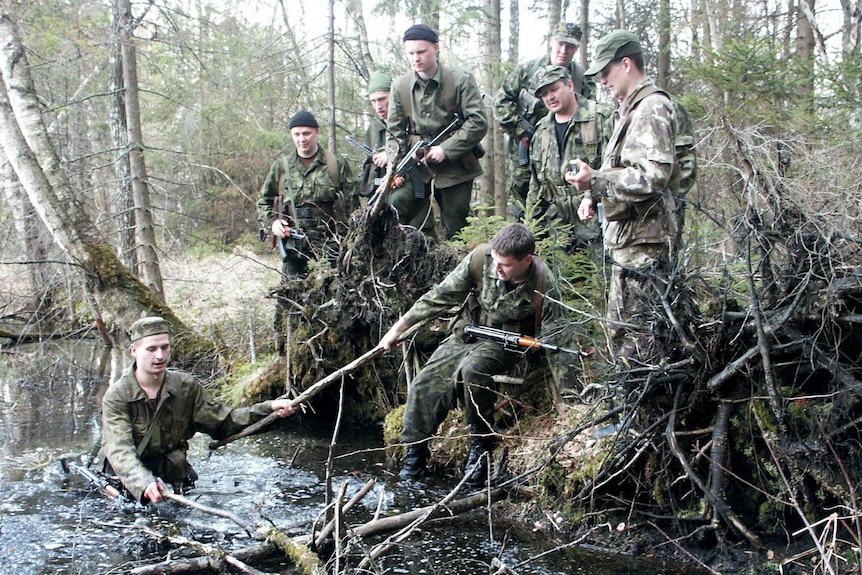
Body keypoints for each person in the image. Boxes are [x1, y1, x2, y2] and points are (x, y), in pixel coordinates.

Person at [379, 223, 558, 485]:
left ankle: (481, 442)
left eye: (505, 265)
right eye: (495, 261)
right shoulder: (479, 260)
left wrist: (568, 397)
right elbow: (441, 295)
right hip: (467, 334)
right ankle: (414, 455)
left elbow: (560, 334)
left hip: (506, 345)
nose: (497, 270)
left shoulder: (542, 281)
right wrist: (397, 329)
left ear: (526, 260)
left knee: (472, 369)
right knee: (426, 381)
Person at [569, 30, 682, 362]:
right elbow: (623, 169)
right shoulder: (629, 109)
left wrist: (600, 180)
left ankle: (645, 411)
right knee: (622, 333)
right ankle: (631, 406)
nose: (603, 80)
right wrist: (593, 192)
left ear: (627, 64)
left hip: (645, 244)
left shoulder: (651, 107)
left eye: (606, 71)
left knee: (642, 341)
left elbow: (654, 177)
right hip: (629, 241)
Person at [98, 316, 297, 504]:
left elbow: (224, 422)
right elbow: (119, 449)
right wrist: (144, 483)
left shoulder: (186, 387)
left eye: (164, 347)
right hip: (129, 486)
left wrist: (269, 409)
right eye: (151, 349)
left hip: (174, 481)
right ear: (134, 350)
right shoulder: (117, 396)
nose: (160, 355)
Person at [257, 110, 358, 352]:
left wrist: (353, 240)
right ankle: (286, 349)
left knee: (335, 295)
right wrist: (272, 223)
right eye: (297, 134)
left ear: (316, 133)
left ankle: (337, 346)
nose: (302, 139)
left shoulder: (335, 164)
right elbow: (264, 201)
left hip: (330, 242)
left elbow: (355, 207)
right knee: (289, 299)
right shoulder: (282, 167)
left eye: (306, 133)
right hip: (295, 244)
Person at [387, 23, 488, 240]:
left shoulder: (459, 80)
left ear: (436, 47)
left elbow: (478, 122)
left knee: (457, 229)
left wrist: (446, 149)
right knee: (397, 208)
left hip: (455, 165)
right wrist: (394, 168)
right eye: (411, 53)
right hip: (415, 164)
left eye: (421, 52)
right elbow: (394, 134)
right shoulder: (400, 86)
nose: (416, 58)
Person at [493, 22, 593, 220]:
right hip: (526, 148)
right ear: (551, 42)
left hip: (566, 152)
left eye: (570, 46)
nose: (563, 51)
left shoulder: (582, 78)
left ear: (577, 48)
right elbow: (500, 102)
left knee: (566, 202)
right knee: (521, 202)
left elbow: (592, 116)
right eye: (560, 44)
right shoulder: (528, 71)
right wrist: (522, 131)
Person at [526, 65, 612, 247]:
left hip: (596, 223)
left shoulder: (600, 118)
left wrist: (591, 195)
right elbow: (536, 185)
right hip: (556, 228)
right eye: (544, 94)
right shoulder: (541, 130)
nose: (550, 97)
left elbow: (613, 168)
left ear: (570, 86)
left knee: (600, 275)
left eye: (554, 89)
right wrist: (531, 229)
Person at [361, 70, 436, 238]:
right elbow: (368, 165)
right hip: (386, 187)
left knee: (420, 236)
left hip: (413, 187)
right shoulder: (373, 129)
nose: (378, 105)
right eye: (373, 101)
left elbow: (423, 151)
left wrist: (399, 171)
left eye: (382, 99)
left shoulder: (412, 119)